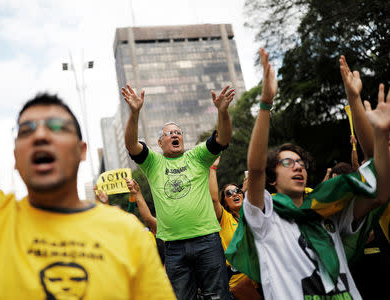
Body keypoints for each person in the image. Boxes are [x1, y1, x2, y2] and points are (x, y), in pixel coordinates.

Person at [0, 93, 175, 299]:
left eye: (57, 127)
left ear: (81, 151)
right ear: (15, 156)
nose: (40, 136)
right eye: (26, 131)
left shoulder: (127, 232)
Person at [225, 48, 389, 299]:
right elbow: (255, 169)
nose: (298, 166)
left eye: (301, 162)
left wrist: (358, 105)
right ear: (272, 178)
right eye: (288, 163)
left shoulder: (328, 211)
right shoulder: (265, 219)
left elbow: (379, 192)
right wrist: (266, 103)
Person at [123, 83, 235, 299]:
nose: (175, 135)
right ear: (160, 142)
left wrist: (222, 112)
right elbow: (131, 145)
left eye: (178, 132)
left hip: (208, 241)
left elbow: (223, 138)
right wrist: (135, 113)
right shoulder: (153, 163)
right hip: (174, 248)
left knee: (218, 296)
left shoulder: (198, 156)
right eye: (169, 133)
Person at [208, 157, 262, 300]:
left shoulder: (252, 215)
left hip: (262, 277)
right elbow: (213, 199)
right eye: (229, 193)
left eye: (237, 191)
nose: (235, 194)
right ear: (225, 202)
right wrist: (212, 169)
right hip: (240, 282)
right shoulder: (225, 218)